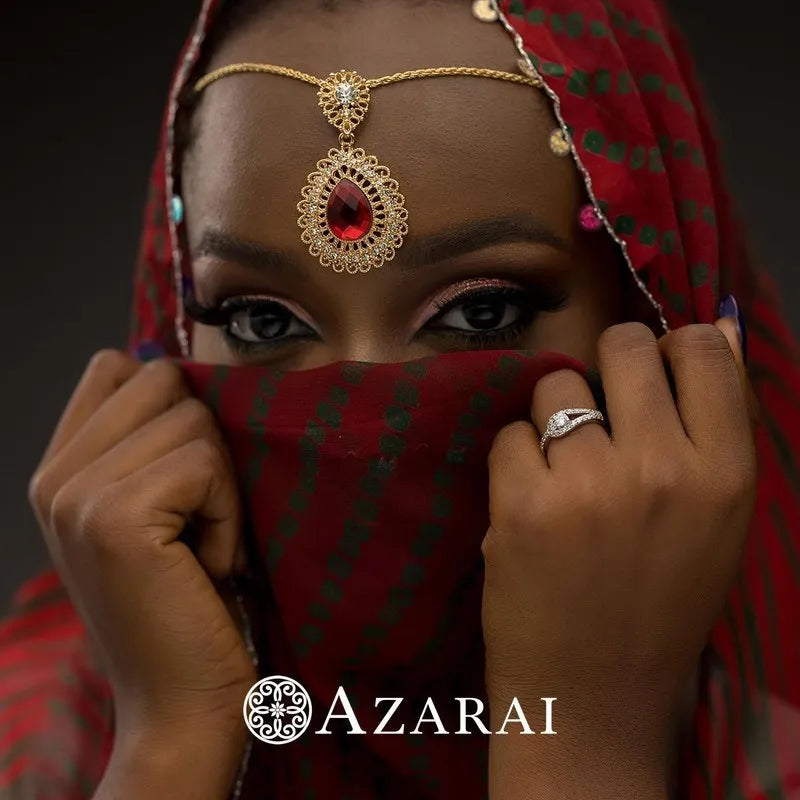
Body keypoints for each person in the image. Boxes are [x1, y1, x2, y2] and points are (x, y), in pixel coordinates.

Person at [1, 0, 798, 797]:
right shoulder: (33, 741)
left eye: (479, 312)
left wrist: (590, 742)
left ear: (652, 312)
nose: (360, 418)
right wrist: (168, 737)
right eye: (262, 318)